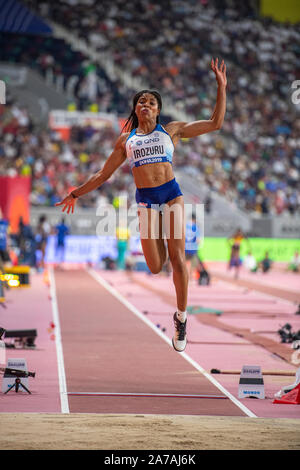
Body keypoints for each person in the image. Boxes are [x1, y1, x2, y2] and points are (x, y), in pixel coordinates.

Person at [55, 57, 227, 353]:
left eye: (150, 102)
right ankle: (159, 240)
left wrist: (221, 87)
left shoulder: (172, 130)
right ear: (136, 110)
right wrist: (75, 194)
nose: (145, 105)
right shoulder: (127, 140)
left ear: (158, 110)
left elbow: (215, 123)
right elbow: (103, 174)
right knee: (154, 265)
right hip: (146, 201)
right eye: (141, 102)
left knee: (177, 257)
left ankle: (181, 317)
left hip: (171, 194)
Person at [185, 212, 201, 282]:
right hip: (193, 248)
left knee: (184, 263)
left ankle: (184, 277)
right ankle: (190, 277)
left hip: (185, 247)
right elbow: (198, 240)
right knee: (193, 263)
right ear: (194, 219)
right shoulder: (196, 227)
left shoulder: (185, 226)